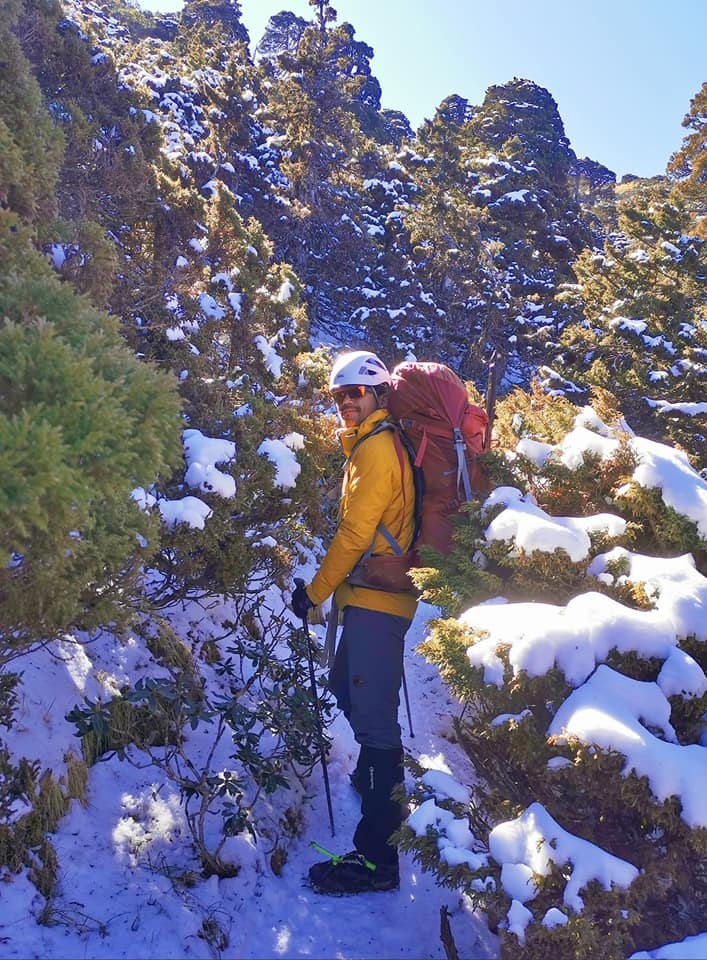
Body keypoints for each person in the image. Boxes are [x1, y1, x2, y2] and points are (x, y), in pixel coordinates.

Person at [291, 349, 418, 896]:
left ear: (378, 394)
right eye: (338, 395)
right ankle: (376, 783)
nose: (345, 403)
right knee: (348, 690)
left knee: (374, 723)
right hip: (366, 597)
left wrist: (314, 593)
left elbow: (354, 536)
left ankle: (377, 860)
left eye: (355, 394)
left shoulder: (377, 450)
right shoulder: (369, 445)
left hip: (376, 603)